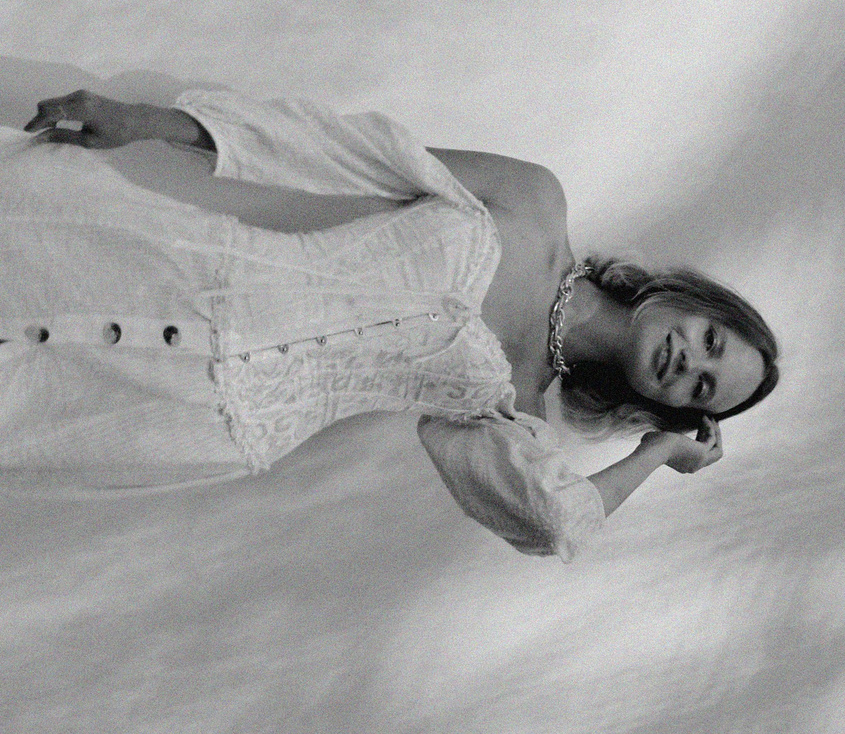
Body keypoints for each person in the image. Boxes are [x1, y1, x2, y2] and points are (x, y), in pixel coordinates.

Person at [0, 81, 778, 558]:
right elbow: (341, 151)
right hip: (183, 271)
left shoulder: (514, 409)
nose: (691, 363)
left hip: (200, 417)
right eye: (711, 340)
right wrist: (151, 121)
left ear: (670, 405)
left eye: (701, 389)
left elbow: (554, 522)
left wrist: (658, 452)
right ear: (688, 299)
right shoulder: (534, 201)